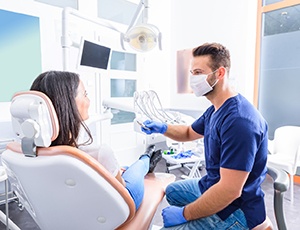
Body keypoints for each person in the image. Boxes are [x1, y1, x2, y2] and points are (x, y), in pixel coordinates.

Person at [141, 42, 268, 229]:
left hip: (236, 209)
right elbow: (188, 132)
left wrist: (185, 214)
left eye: (198, 72)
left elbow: (229, 191)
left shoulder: (240, 121)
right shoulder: (214, 110)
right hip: (212, 184)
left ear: (220, 73)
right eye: (192, 73)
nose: (193, 79)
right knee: (172, 192)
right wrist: (162, 128)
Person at [30, 70, 162, 211]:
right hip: (116, 210)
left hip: (67, 212)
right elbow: (121, 191)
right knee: (137, 169)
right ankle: (146, 158)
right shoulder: (99, 152)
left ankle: (134, 164)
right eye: (85, 94)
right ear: (68, 104)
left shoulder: (30, 152)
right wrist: (117, 174)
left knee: (125, 168)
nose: (89, 100)